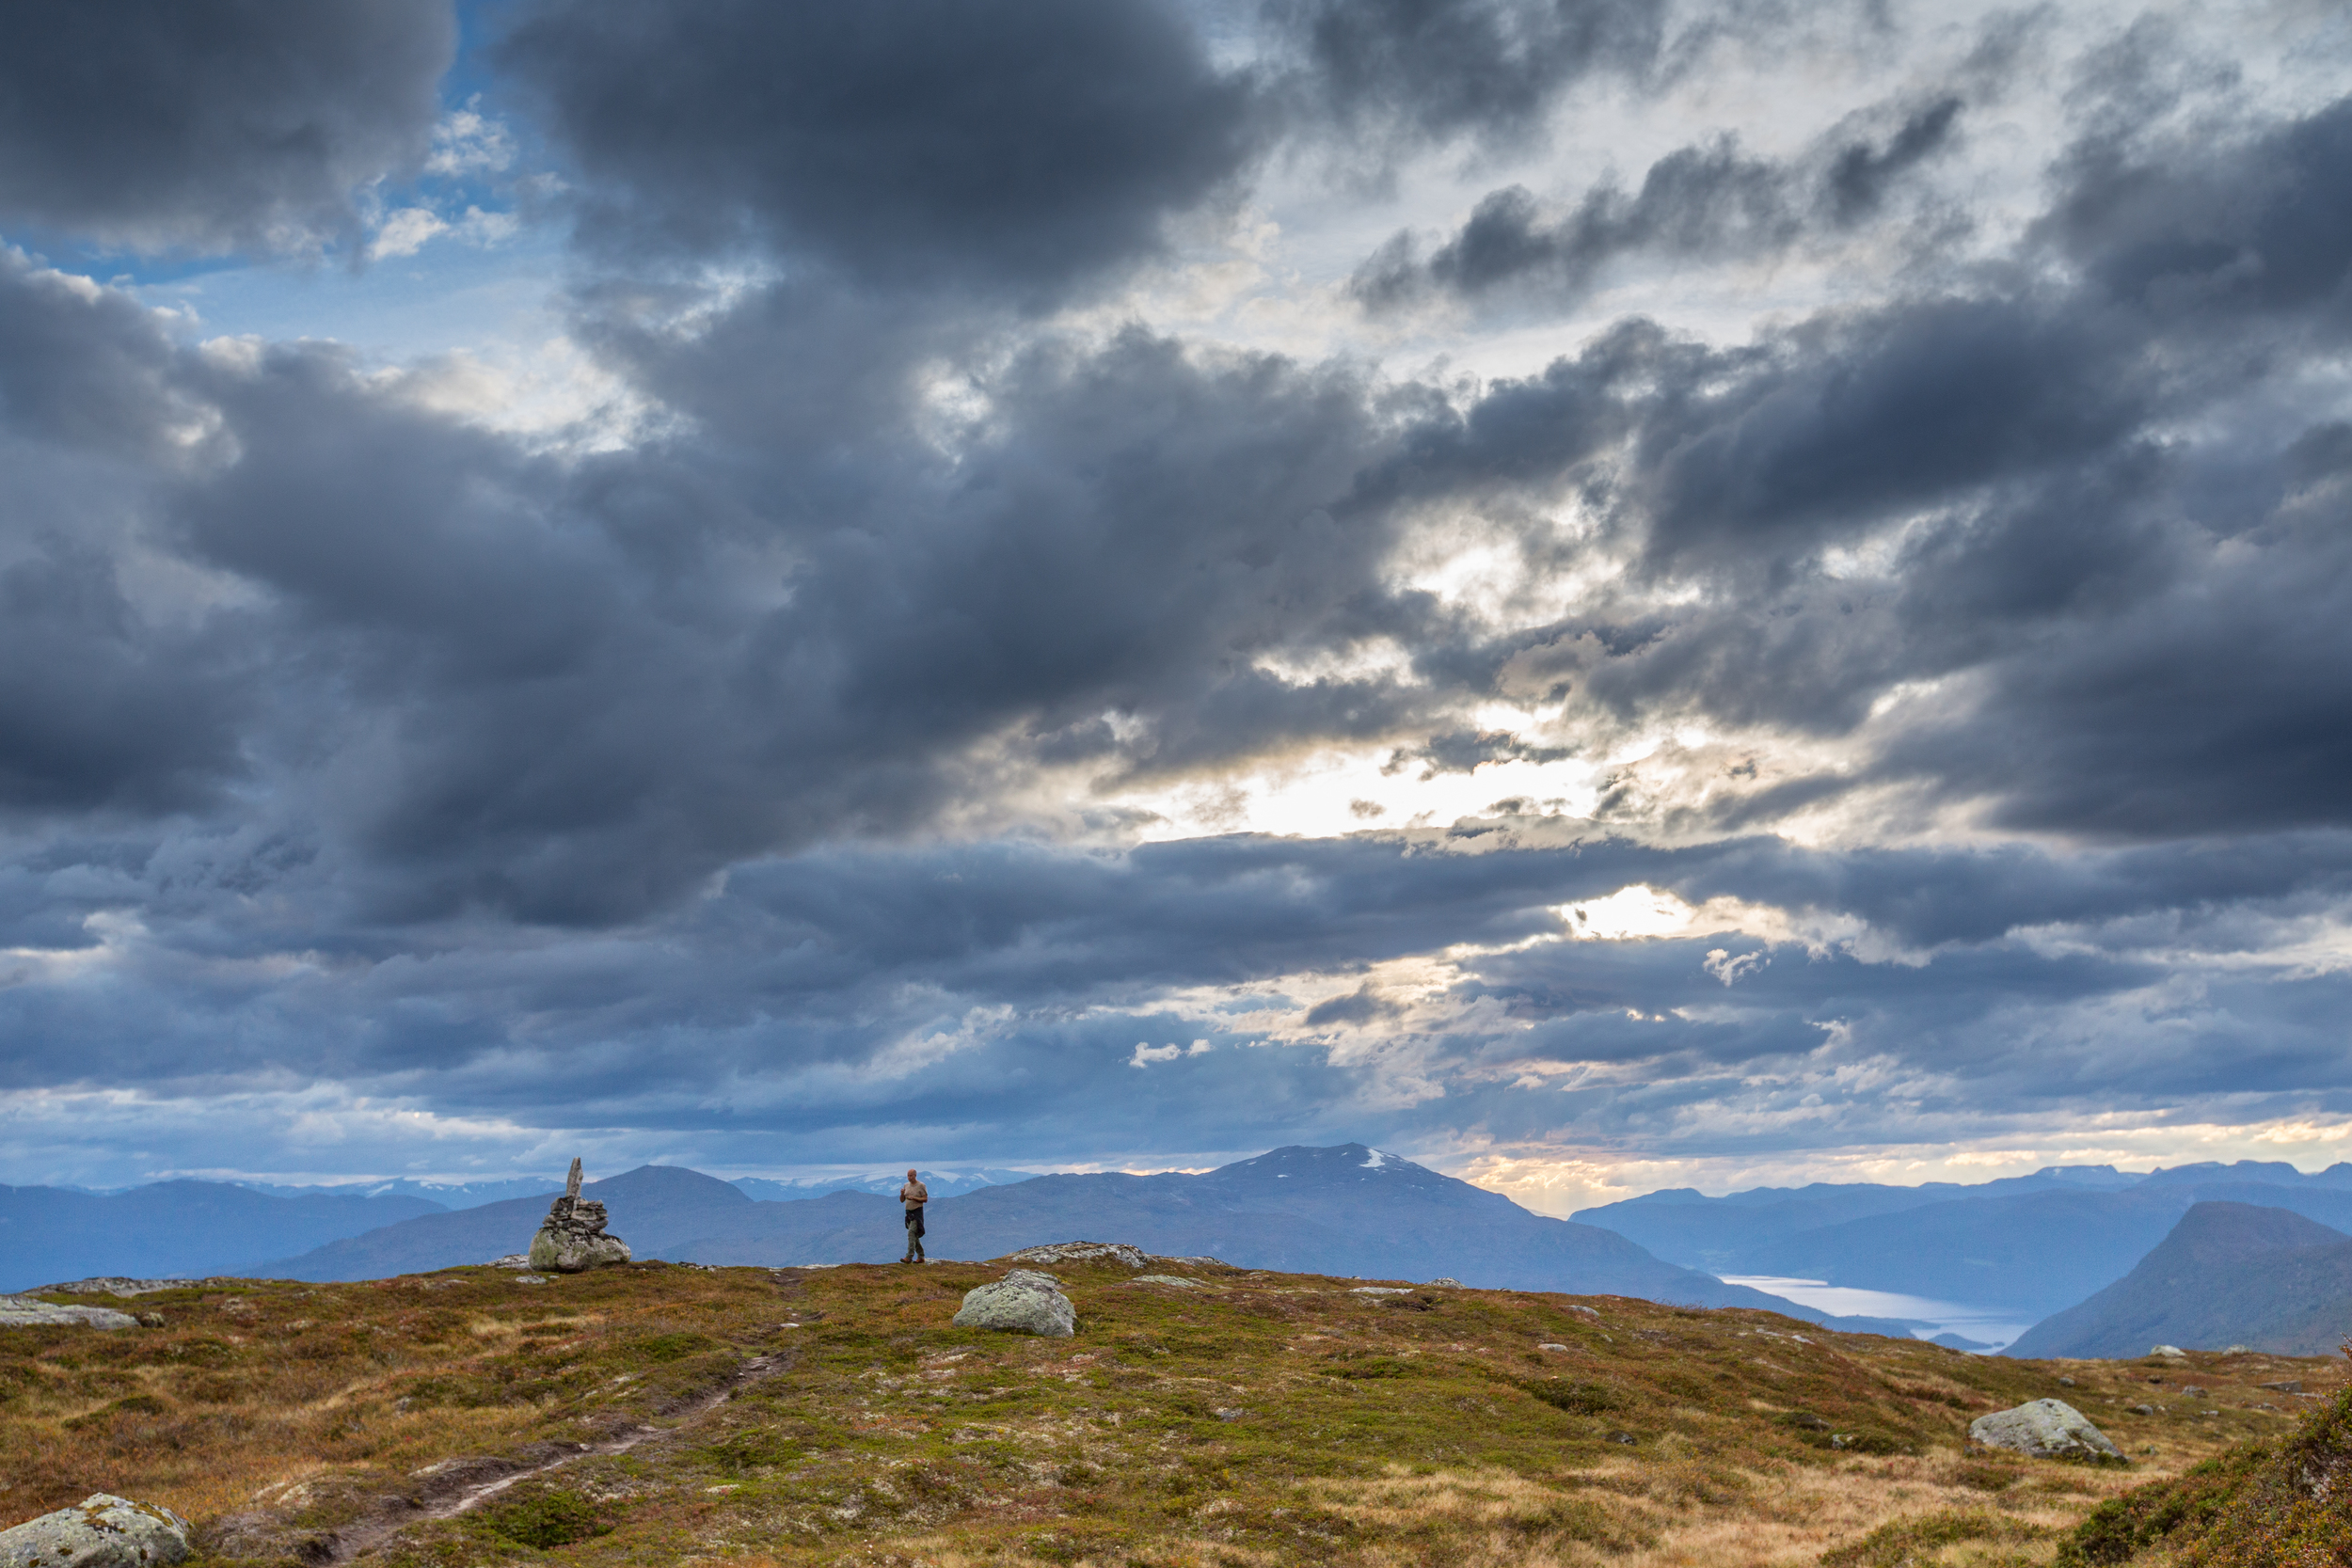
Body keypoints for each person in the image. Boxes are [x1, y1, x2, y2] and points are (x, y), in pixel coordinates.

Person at [898, 1168, 929, 1262]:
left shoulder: (921, 1185)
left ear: (915, 1175)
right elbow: (902, 1200)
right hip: (908, 1213)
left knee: (911, 1233)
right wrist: (902, 1194)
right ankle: (921, 1256)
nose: (909, 1177)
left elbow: (925, 1199)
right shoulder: (906, 1185)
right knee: (914, 1236)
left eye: (911, 1175)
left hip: (917, 1213)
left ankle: (909, 1256)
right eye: (908, 1175)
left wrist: (915, 1198)